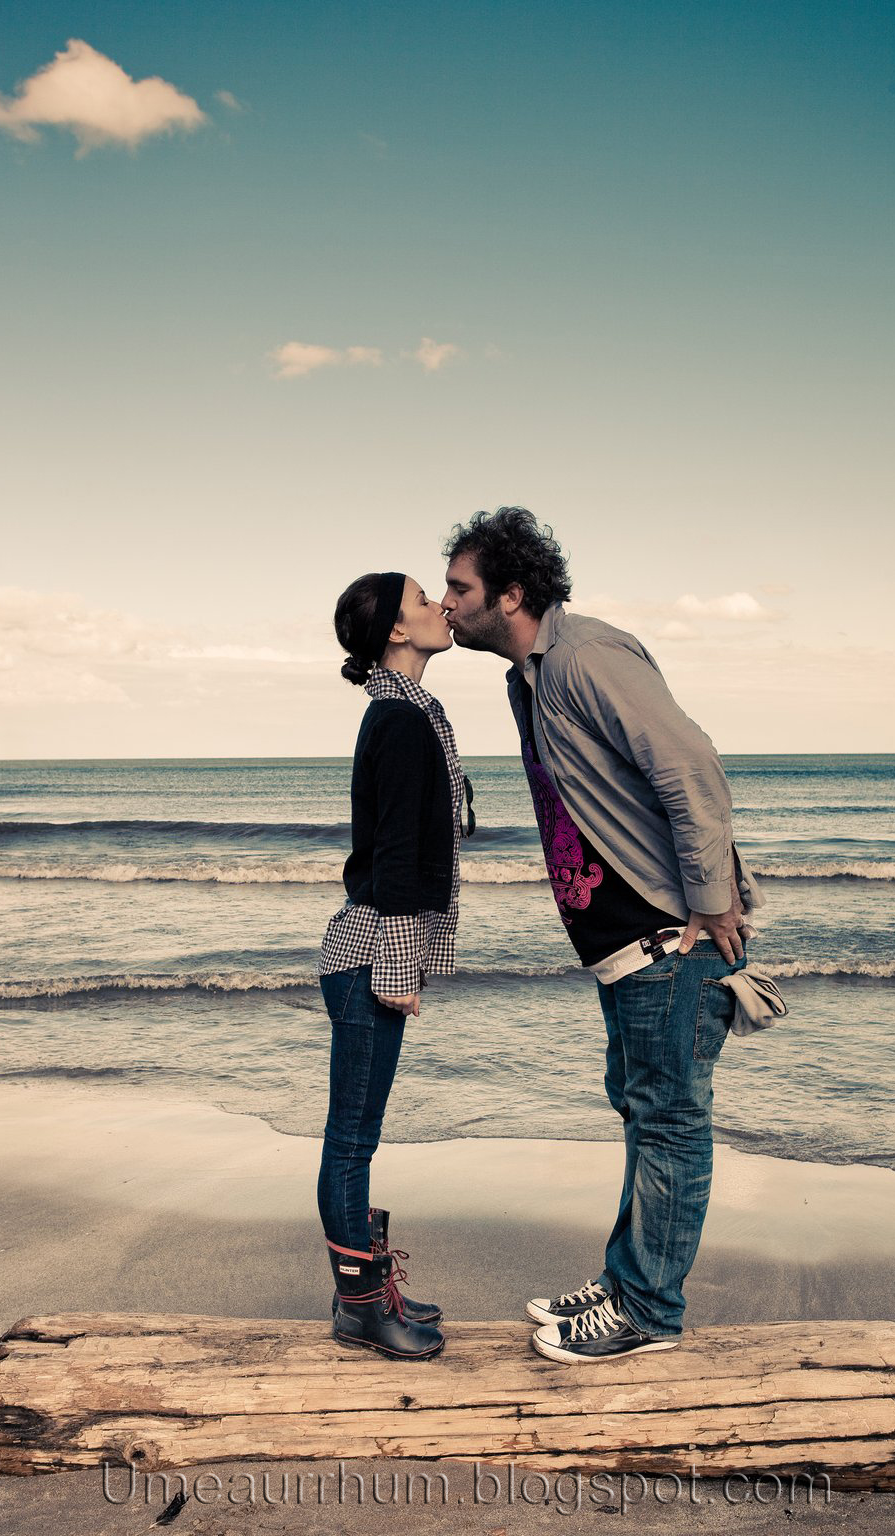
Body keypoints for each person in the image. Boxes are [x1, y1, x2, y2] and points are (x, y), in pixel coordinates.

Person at [442, 509, 763, 1363]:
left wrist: (713, 900)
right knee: (642, 1112)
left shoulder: (584, 656)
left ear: (510, 593)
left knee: (668, 1124)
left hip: (671, 938)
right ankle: (628, 1279)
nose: (446, 605)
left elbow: (687, 763)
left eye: (460, 589)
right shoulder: (532, 677)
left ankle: (649, 1311)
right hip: (627, 945)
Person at [318, 570, 471, 1360]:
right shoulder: (403, 721)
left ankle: (374, 1290)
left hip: (371, 945)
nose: (441, 607)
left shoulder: (407, 713)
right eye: (422, 600)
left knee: (360, 1137)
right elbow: (399, 859)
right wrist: (400, 970)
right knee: (351, 1141)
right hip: (372, 950)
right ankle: (361, 1310)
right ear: (395, 632)